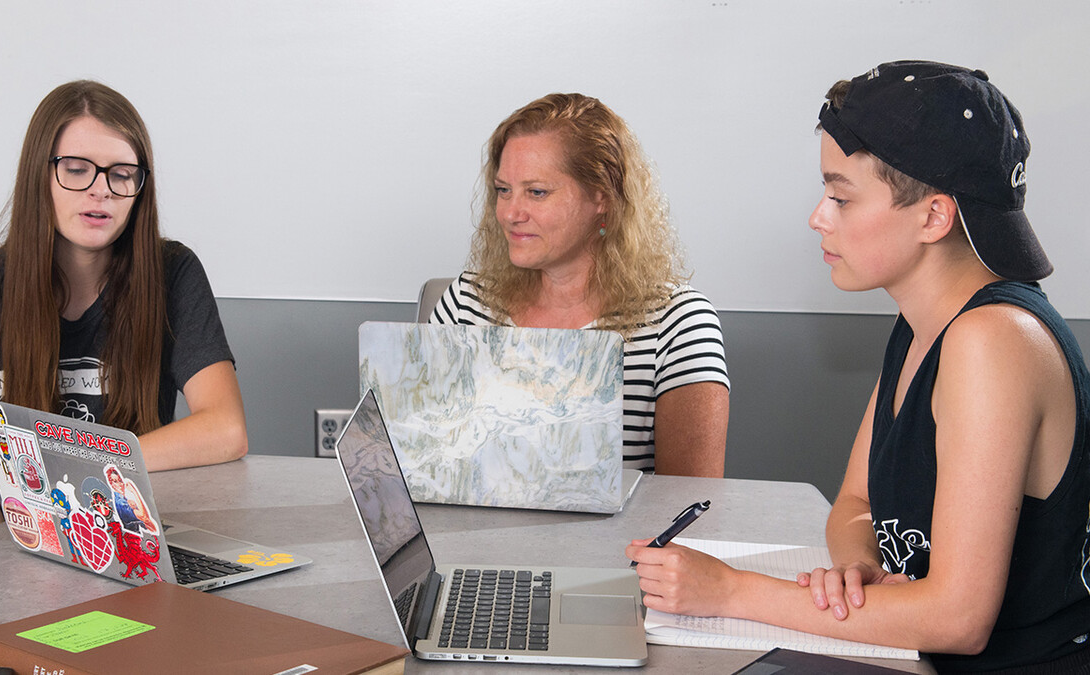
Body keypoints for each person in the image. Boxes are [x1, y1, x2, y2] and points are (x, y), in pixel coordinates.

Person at [627, 61, 1090, 672]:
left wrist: (733, 592)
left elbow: (959, 618)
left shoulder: (993, 340)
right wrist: (859, 572)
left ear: (934, 216)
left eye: (841, 196)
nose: (818, 217)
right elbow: (853, 503)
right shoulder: (922, 324)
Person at [0, 80, 247, 546]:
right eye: (76, 169)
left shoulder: (173, 273)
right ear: (39, 176)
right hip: (0, 537)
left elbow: (226, 429)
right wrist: (25, 562)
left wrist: (90, 466)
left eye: (121, 173)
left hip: (120, 534)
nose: (100, 190)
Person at [430, 93, 730, 476]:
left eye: (536, 192)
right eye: (503, 190)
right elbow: (424, 465)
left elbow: (690, 503)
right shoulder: (466, 303)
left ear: (601, 196)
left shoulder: (677, 323)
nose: (509, 213)